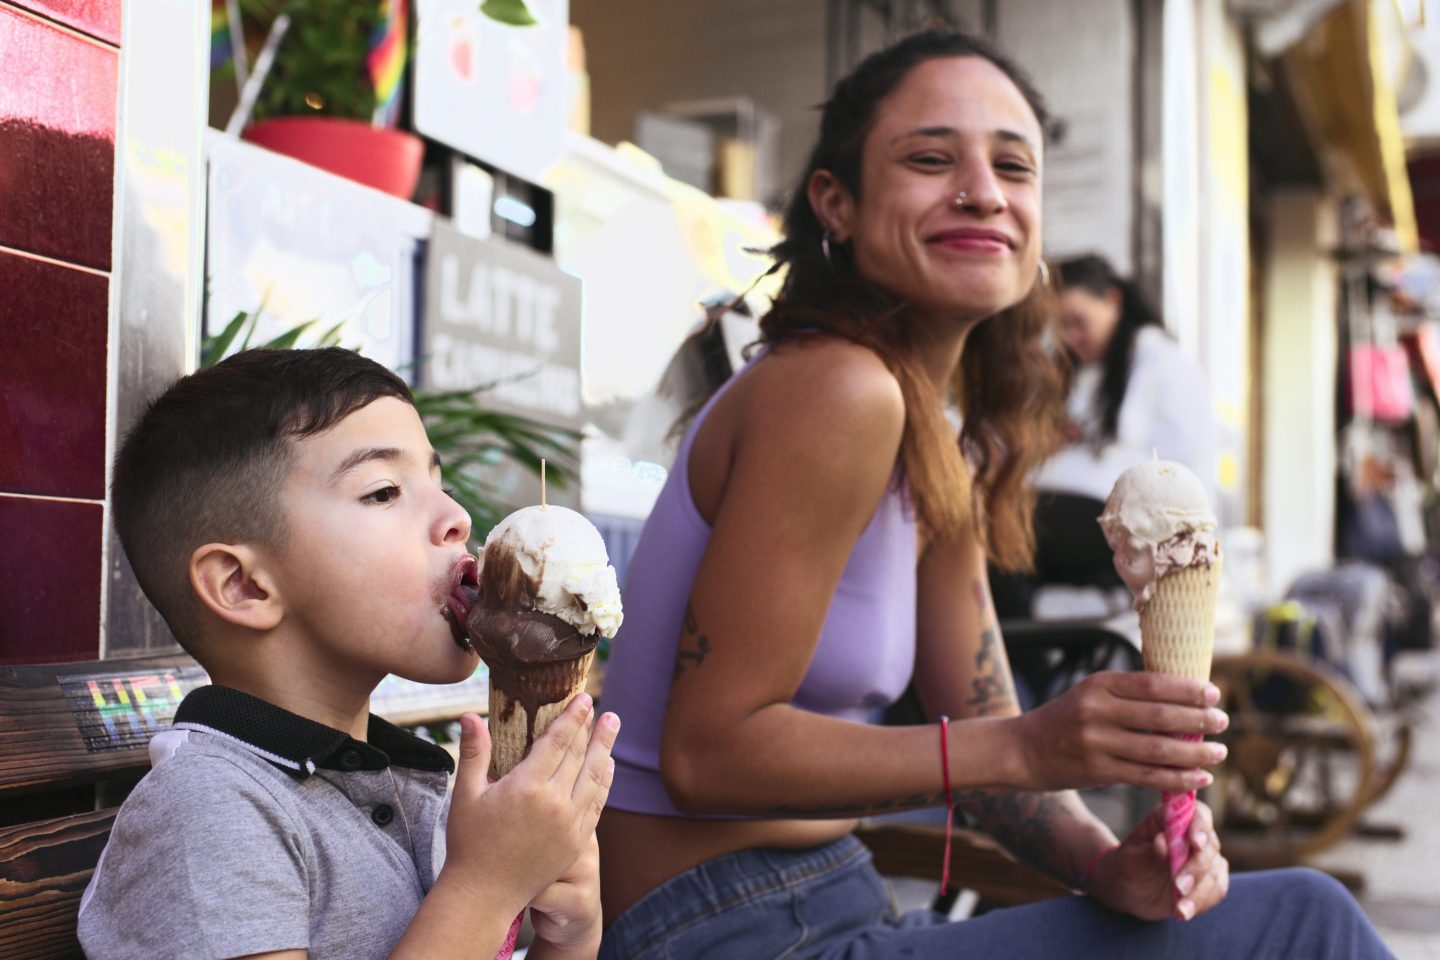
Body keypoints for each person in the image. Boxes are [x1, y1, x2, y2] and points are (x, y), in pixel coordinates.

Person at [594, 29, 1394, 960]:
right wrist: (1033, 744)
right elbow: (705, 755)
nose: (983, 191)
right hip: (716, 931)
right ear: (837, 203)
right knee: (1305, 921)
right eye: (932, 159)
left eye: (1014, 167)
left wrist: (1106, 865)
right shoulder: (834, 390)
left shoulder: (930, 437)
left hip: (830, 902)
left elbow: (981, 737)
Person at [77, 347, 620, 960]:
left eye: (437, 484)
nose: (457, 518)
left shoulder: (421, 789)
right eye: (385, 491)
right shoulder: (209, 813)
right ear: (244, 585)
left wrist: (569, 938)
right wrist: (485, 888)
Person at [993, 254, 1218, 618]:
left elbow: (1187, 474)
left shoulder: (1163, 365)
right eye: (1059, 327)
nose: (1069, 337)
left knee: (998, 528)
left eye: (1077, 322)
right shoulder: (1079, 372)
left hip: (1118, 522)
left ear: (1113, 301)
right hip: (1065, 518)